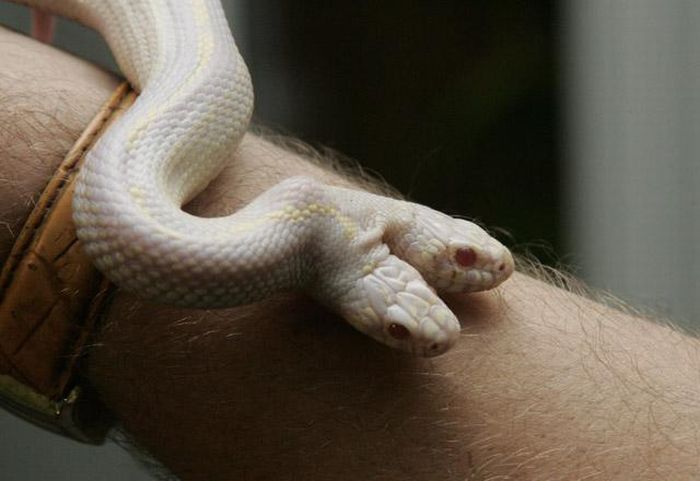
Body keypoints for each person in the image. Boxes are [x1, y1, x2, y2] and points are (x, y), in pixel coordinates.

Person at [0, 26, 698, 481]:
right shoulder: (306, 233)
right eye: (457, 257)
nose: (481, 273)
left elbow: (310, 212)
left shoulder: (324, 227)